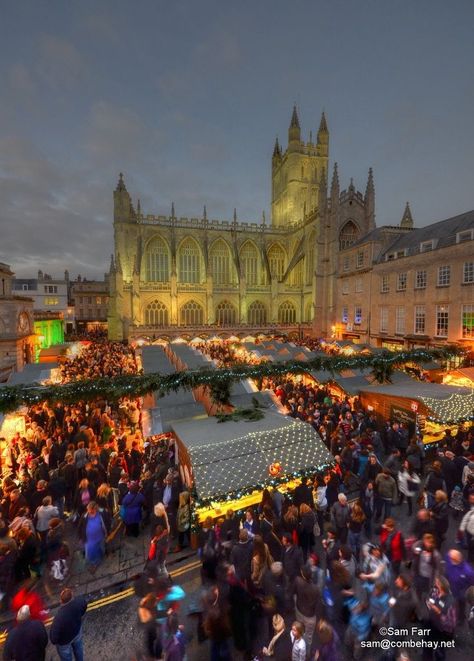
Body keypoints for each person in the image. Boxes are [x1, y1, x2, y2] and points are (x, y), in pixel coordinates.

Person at [50, 588, 87, 661]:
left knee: (66, 657)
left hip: (64, 642)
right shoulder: (80, 601)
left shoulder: (59, 618)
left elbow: (53, 639)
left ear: (61, 601)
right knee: (79, 649)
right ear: (72, 596)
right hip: (77, 632)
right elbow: (83, 609)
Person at [78, 501, 107, 570]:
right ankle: (94, 563)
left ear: (95, 509)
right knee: (89, 553)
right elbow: (80, 527)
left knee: (101, 548)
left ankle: (101, 557)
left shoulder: (101, 514)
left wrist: (107, 531)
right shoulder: (84, 516)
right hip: (89, 539)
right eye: (88, 510)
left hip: (100, 536)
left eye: (91, 511)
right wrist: (81, 537)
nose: (89, 512)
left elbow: (106, 522)